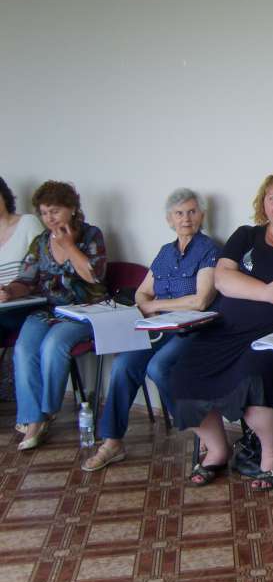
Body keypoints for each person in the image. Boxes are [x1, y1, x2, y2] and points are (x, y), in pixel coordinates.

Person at [168, 172, 273, 490]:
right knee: (182, 373)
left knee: (255, 375)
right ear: (263, 203)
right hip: (229, 330)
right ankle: (217, 449)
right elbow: (222, 278)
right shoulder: (246, 235)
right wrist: (268, 292)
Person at [81, 188, 219, 472]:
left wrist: (156, 305)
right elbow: (141, 294)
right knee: (123, 365)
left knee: (158, 367)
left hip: (192, 329)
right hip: (159, 327)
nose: (186, 218)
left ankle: (201, 429)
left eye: (192, 211)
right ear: (169, 219)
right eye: (179, 213)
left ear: (202, 215)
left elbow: (200, 301)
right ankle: (113, 442)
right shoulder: (165, 253)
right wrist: (152, 306)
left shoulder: (210, 250)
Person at [0, 181, 106, 451]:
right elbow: (26, 279)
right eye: (45, 213)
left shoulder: (91, 235)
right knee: (24, 349)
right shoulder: (40, 243)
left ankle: (46, 413)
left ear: (72, 208)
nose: (49, 218)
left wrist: (69, 246)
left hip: (85, 311)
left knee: (53, 345)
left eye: (55, 211)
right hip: (47, 310)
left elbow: (94, 275)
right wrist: (9, 291)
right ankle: (32, 419)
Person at [0, 176, 43, 340]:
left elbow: (45, 270)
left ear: (4, 195)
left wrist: (9, 291)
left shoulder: (28, 223)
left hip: (24, 304)